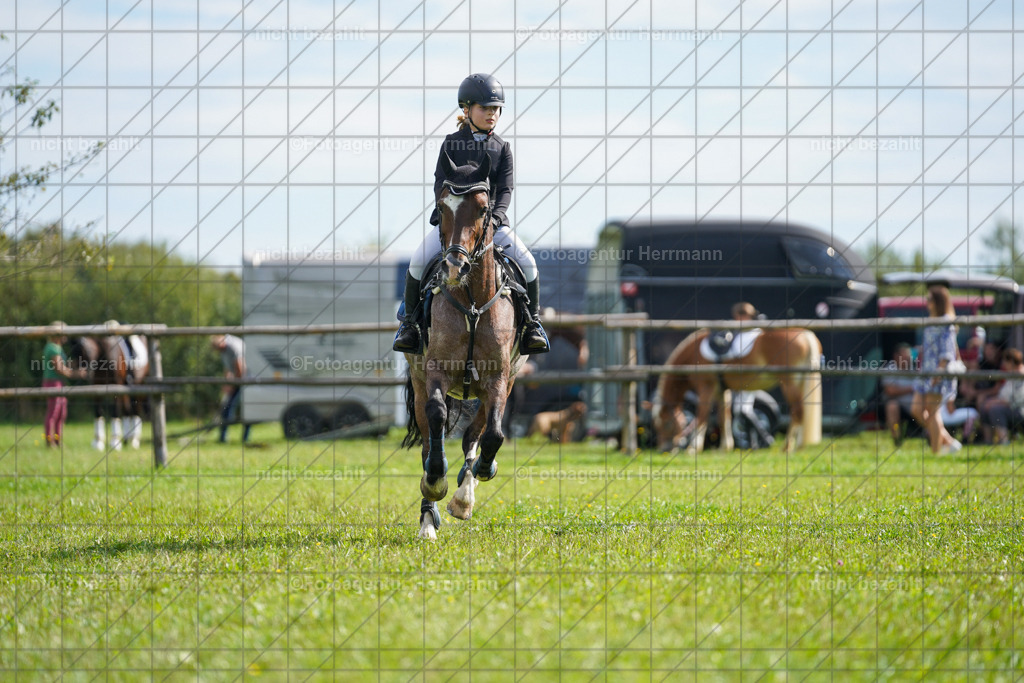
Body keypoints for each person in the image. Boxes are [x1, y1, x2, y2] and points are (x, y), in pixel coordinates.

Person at [393, 73, 549, 356]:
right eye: (484, 108)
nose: (492, 114)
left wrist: (497, 218)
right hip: (453, 227)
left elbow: (505, 190)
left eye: (495, 109)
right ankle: (410, 326)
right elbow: (440, 185)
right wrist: (447, 220)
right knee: (418, 262)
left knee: (528, 263)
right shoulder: (451, 144)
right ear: (466, 110)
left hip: (491, 226)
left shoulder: (502, 148)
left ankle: (532, 325)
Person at [909, 285, 961, 454]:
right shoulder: (933, 319)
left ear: (938, 301)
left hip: (937, 373)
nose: (927, 302)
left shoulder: (946, 322)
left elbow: (947, 353)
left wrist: (938, 374)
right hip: (925, 372)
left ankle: (936, 452)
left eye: (929, 299)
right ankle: (948, 441)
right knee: (916, 410)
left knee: (932, 413)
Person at [41, 321, 85, 448]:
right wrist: (76, 374)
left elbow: (63, 364)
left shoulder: (57, 348)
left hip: (59, 382)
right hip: (52, 382)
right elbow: (59, 368)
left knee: (61, 413)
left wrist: (75, 364)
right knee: (53, 413)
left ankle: (57, 440)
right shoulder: (52, 348)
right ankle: (49, 441)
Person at [978, 347, 1024, 444]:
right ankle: (988, 441)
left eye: (1005, 362)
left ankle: (1004, 441)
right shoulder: (1011, 374)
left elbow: (1013, 400)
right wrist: (990, 401)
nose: (1003, 364)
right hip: (1008, 406)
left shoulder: (1020, 375)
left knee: (995, 409)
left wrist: (993, 402)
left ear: (1011, 361)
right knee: (984, 407)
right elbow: (1003, 395)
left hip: (1020, 410)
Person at [210, 334, 251, 443]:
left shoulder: (233, 347)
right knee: (227, 409)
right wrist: (226, 383)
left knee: (244, 410)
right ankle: (223, 438)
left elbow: (240, 369)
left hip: (245, 380)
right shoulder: (224, 350)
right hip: (236, 381)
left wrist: (232, 385)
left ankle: (244, 439)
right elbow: (228, 368)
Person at [882, 343, 917, 446]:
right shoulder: (890, 368)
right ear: (896, 357)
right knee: (892, 406)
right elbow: (890, 391)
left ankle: (932, 437)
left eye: (908, 356)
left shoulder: (915, 369)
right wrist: (911, 389)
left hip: (916, 403)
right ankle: (897, 440)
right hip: (899, 405)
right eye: (904, 356)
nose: (907, 359)